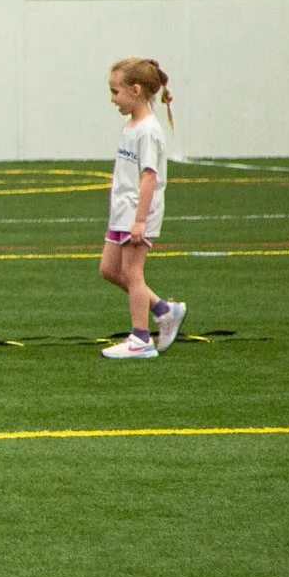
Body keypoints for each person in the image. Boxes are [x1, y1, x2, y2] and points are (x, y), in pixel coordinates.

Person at [99, 58, 187, 360]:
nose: (112, 99)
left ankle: (140, 338)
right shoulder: (132, 125)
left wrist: (139, 221)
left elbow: (149, 177)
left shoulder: (148, 131)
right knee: (110, 270)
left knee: (132, 272)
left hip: (137, 212)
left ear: (135, 90)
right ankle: (164, 310)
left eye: (116, 92)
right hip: (121, 209)